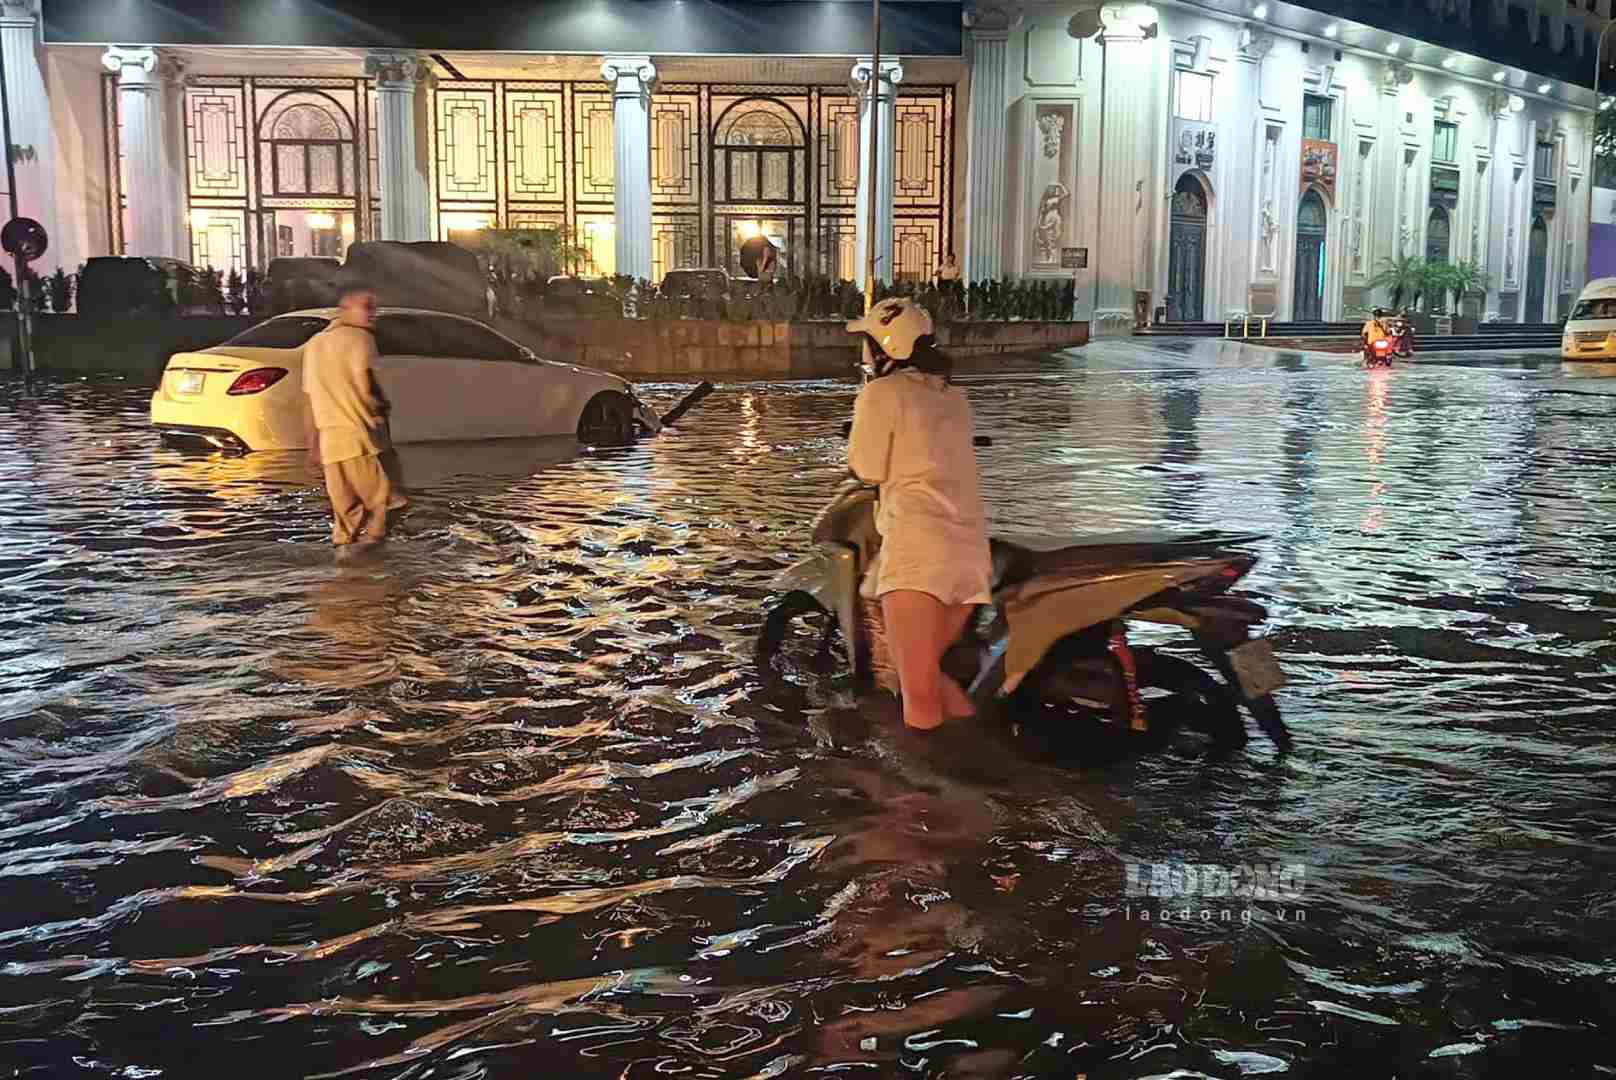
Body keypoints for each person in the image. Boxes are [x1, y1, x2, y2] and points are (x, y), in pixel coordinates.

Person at [845, 298, 992, 731]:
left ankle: (923, 794)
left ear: (886, 349)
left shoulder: (881, 393)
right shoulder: (953, 396)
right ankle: (983, 759)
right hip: (968, 555)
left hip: (918, 553)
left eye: (868, 344)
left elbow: (867, 468)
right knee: (927, 674)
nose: (864, 354)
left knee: (919, 697)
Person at [302, 280, 394, 548]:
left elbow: (308, 399)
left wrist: (313, 445)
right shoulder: (361, 339)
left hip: (331, 442)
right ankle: (375, 565)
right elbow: (366, 387)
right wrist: (380, 412)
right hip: (359, 437)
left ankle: (344, 566)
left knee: (345, 517)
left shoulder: (315, 344)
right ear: (345, 309)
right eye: (367, 307)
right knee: (385, 503)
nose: (373, 312)